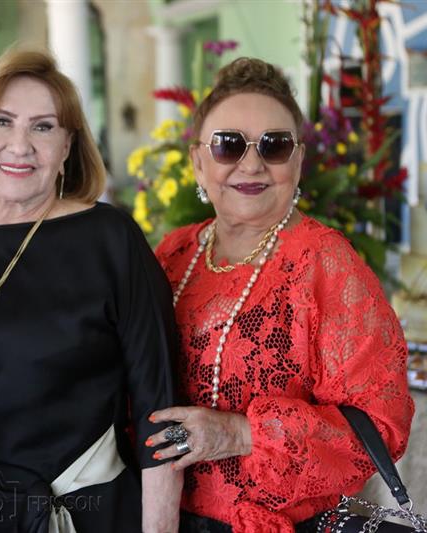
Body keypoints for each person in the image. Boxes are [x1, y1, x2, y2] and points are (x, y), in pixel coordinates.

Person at [148, 57, 414, 532]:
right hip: (161, 516)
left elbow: (380, 424)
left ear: (298, 160)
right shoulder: (174, 253)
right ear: (198, 162)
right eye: (228, 145)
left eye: (275, 145)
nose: (251, 164)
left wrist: (240, 433)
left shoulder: (324, 263)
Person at [0, 48, 182, 533]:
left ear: (68, 145)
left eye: (43, 127)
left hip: (89, 515)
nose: (20, 145)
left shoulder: (109, 237)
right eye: (1, 122)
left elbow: (161, 413)